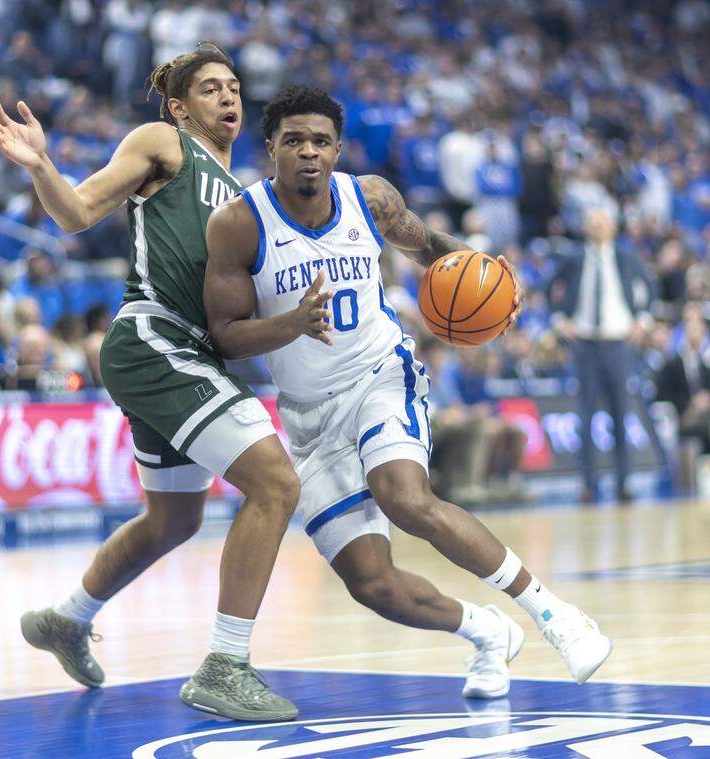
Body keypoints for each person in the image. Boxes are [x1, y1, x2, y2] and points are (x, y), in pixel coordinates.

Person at [204, 86, 612, 700]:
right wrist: (290, 324)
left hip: (379, 376)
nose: (308, 152)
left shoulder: (370, 198)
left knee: (405, 496)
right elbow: (228, 337)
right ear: (271, 149)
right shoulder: (238, 223)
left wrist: (490, 278)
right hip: (309, 419)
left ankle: (555, 615)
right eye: (294, 141)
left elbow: (430, 251)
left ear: (338, 149)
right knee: (374, 585)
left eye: (320, 141)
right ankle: (488, 632)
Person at [0, 44, 301, 721]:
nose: (228, 97)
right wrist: (42, 164)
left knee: (173, 518)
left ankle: (67, 618)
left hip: (193, 352)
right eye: (211, 88)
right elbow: (75, 212)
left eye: (235, 86)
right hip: (154, 339)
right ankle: (226, 663)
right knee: (276, 484)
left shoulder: (242, 191)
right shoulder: (164, 141)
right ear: (182, 106)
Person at [548, 206, 654, 503]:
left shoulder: (625, 257)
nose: (597, 228)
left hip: (618, 343)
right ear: (585, 228)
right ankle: (588, 484)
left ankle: (624, 483)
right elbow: (548, 288)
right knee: (586, 416)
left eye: (602, 223)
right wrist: (559, 319)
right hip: (585, 345)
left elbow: (650, 289)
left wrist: (642, 321)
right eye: (592, 223)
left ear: (612, 227)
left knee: (621, 415)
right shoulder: (574, 258)